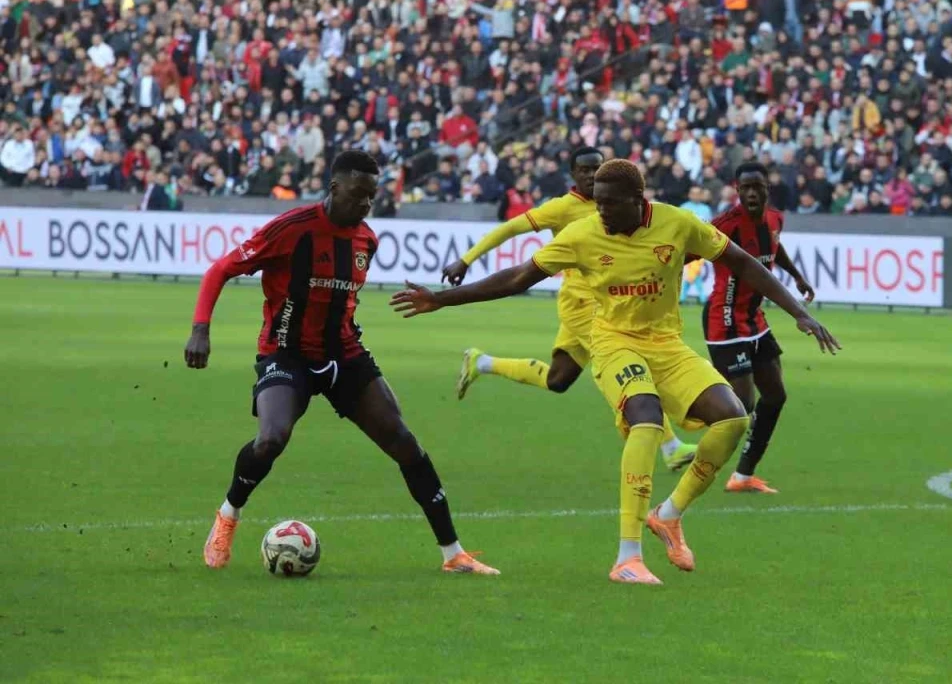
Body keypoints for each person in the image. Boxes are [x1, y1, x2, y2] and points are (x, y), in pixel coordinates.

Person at [392, 160, 839, 585]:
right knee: (645, 420)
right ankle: (628, 557)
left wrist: (799, 313)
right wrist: (440, 299)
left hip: (666, 343)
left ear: (637, 200)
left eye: (608, 202)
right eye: (597, 200)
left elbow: (742, 261)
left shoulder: (678, 223)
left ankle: (669, 515)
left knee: (734, 417)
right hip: (612, 342)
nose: (600, 209)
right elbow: (517, 278)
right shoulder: (582, 233)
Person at [185, 150, 497, 576]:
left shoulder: (367, 240)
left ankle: (454, 554)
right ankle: (228, 515)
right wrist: (200, 329)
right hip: (286, 353)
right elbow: (220, 269)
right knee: (271, 439)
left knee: (404, 443)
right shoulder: (291, 229)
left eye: (371, 196)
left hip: (345, 356)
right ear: (334, 187)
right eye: (358, 194)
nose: (365, 204)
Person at [441, 147, 698, 472]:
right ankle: (671, 446)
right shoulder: (563, 208)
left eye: (596, 168)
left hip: (605, 304)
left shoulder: (619, 204)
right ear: (573, 174)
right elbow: (511, 228)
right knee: (633, 366)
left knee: (558, 379)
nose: (591, 175)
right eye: (584, 170)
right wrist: (466, 259)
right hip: (583, 307)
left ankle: (482, 362)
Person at [704, 163, 816, 494]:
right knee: (742, 406)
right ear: (737, 190)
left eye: (758, 187)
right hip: (725, 319)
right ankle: (687, 421)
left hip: (755, 319)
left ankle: (742, 476)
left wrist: (795, 275)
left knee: (775, 395)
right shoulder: (724, 225)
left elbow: (774, 247)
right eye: (746, 188)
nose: (752, 193)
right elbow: (688, 252)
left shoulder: (775, 219)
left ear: (768, 188)